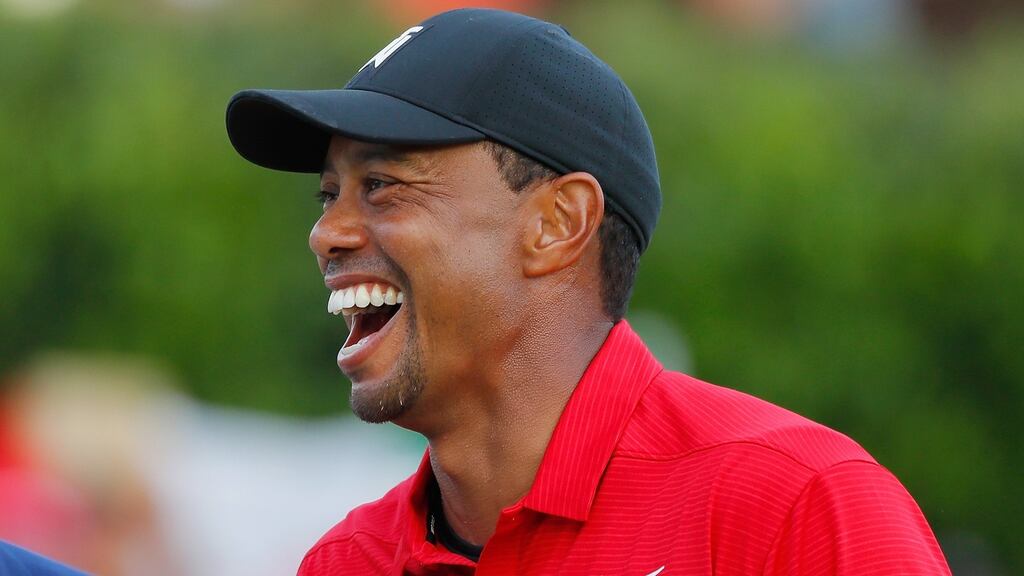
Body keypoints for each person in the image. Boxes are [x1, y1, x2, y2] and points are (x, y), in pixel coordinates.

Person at [225, 8, 951, 575]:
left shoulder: (796, 508)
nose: (327, 234)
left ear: (556, 224)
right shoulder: (346, 563)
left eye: (381, 187)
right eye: (329, 195)